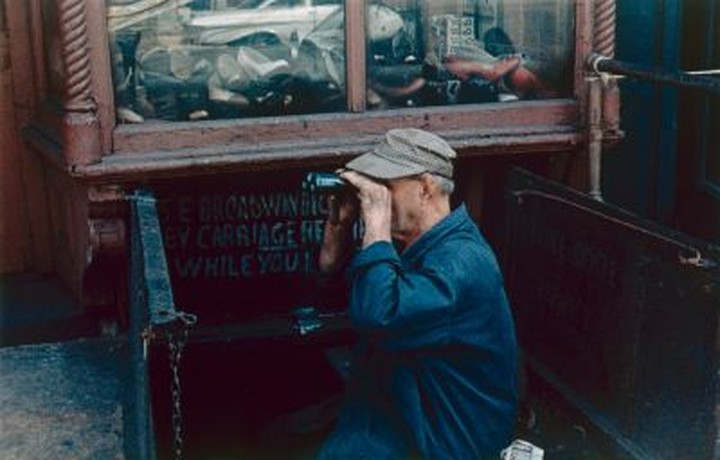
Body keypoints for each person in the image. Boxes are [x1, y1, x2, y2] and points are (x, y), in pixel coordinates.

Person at [316, 128, 519, 459]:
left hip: (445, 439)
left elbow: (379, 317)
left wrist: (377, 225)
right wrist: (335, 240)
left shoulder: (461, 262)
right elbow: (359, 301)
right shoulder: (422, 245)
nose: (376, 198)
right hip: (406, 407)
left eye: (386, 188)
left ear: (425, 188)